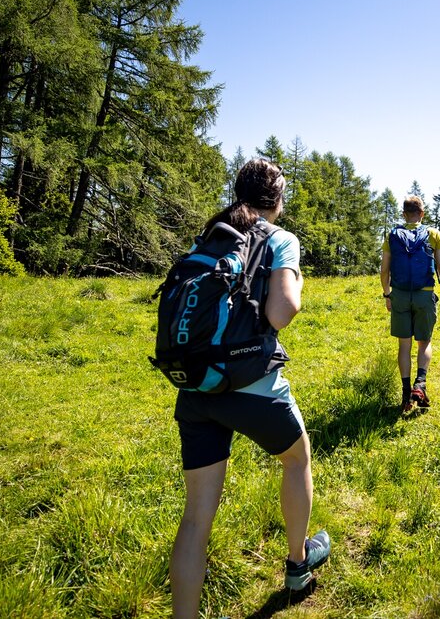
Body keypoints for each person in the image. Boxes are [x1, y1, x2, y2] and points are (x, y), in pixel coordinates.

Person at [169, 159, 330, 618]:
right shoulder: (281, 239)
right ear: (277, 200)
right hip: (252, 385)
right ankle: (298, 564)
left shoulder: (211, 235)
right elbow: (283, 312)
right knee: (297, 458)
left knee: (197, 518)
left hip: (197, 387)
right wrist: (293, 276)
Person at [379, 195, 440, 411]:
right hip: (424, 295)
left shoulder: (392, 235)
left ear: (404, 214)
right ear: (422, 213)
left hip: (400, 295)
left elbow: (384, 270)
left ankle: (405, 395)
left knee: (404, 345)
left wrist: (387, 294)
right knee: (425, 342)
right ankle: (419, 385)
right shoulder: (433, 234)